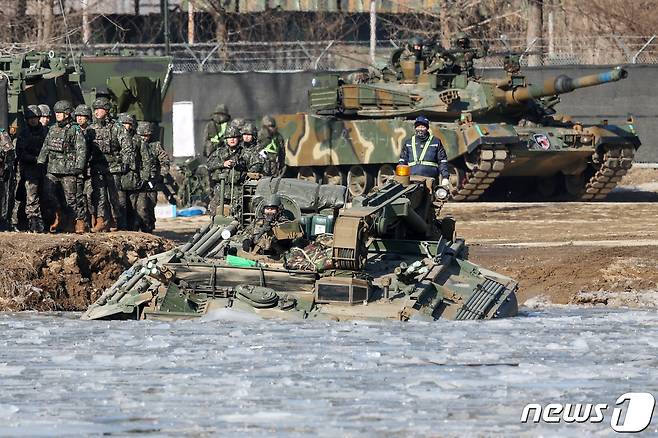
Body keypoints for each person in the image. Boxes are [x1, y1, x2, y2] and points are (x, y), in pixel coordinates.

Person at [36, 100, 87, 233]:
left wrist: (79, 168)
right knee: (48, 195)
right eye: (56, 113)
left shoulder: (74, 130)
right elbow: (46, 146)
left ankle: (74, 222)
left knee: (71, 199)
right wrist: (41, 162)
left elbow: (81, 149)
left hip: (69, 170)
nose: (57, 115)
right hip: (52, 169)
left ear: (67, 114)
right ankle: (60, 216)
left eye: (60, 113)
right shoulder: (53, 128)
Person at [89, 97, 132, 232]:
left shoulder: (117, 128)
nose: (96, 112)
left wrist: (125, 163)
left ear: (106, 111)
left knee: (115, 196)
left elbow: (127, 146)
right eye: (95, 109)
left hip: (114, 167)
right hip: (97, 167)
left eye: (99, 109)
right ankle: (102, 221)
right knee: (99, 195)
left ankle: (116, 221)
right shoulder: (91, 128)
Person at [14, 105, 47, 232]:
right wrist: (35, 158)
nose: (33, 120)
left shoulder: (45, 131)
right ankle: (34, 224)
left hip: (44, 170)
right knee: (31, 198)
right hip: (29, 170)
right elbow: (21, 153)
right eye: (30, 118)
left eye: (35, 117)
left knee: (46, 196)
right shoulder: (24, 134)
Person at [398, 115, 450, 189]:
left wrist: (445, 177)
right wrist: (401, 177)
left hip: (430, 180)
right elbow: (402, 161)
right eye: (418, 126)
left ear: (427, 128)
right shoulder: (408, 143)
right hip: (412, 180)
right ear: (415, 128)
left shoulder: (435, 142)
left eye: (423, 127)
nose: (420, 129)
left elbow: (442, 161)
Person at [206, 126, 246, 215]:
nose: (232, 140)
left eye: (234, 137)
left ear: (239, 139)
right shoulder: (219, 152)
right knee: (214, 212)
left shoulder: (244, 153)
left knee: (236, 213)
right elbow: (209, 164)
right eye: (229, 137)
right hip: (221, 189)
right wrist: (222, 164)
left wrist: (240, 165)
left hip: (238, 190)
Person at [117, 113, 141, 231]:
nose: (125, 126)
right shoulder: (117, 136)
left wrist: (144, 176)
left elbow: (143, 158)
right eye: (123, 124)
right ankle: (122, 227)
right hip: (120, 175)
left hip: (133, 177)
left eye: (128, 124)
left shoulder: (137, 139)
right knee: (121, 204)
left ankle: (133, 228)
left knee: (133, 205)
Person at [74, 104, 93, 231]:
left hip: (91, 169)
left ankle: (92, 221)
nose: (79, 118)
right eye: (78, 116)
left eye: (82, 116)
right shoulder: (72, 130)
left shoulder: (92, 131)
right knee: (78, 196)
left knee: (90, 196)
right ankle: (81, 222)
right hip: (76, 170)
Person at [0, 127, 16, 231]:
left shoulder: (2, 134)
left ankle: (2, 222)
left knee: (2, 198)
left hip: (1, 172)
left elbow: (9, 151)